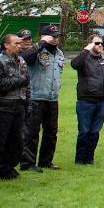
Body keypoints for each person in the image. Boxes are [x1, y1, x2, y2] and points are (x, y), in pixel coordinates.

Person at [20, 23, 65, 172]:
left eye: (57, 36)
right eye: (52, 36)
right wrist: (42, 43)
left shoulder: (59, 53)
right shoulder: (35, 50)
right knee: (32, 132)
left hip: (52, 98)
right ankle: (27, 163)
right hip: (35, 97)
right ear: (44, 37)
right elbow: (27, 58)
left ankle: (46, 161)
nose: (55, 39)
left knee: (51, 132)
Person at [0, 35, 29, 180]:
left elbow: (27, 83)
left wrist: (27, 103)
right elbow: (0, 85)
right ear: (6, 45)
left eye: (20, 43)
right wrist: (19, 80)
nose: (19, 46)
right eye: (16, 43)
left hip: (19, 104)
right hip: (2, 106)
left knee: (17, 141)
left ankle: (7, 168)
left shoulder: (21, 61)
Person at [71, 33, 104, 165]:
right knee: (84, 131)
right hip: (86, 101)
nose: (100, 45)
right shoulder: (83, 60)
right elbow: (74, 64)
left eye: (101, 43)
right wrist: (85, 50)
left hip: (101, 102)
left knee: (95, 132)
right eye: (96, 43)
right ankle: (80, 159)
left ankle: (89, 158)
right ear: (90, 45)